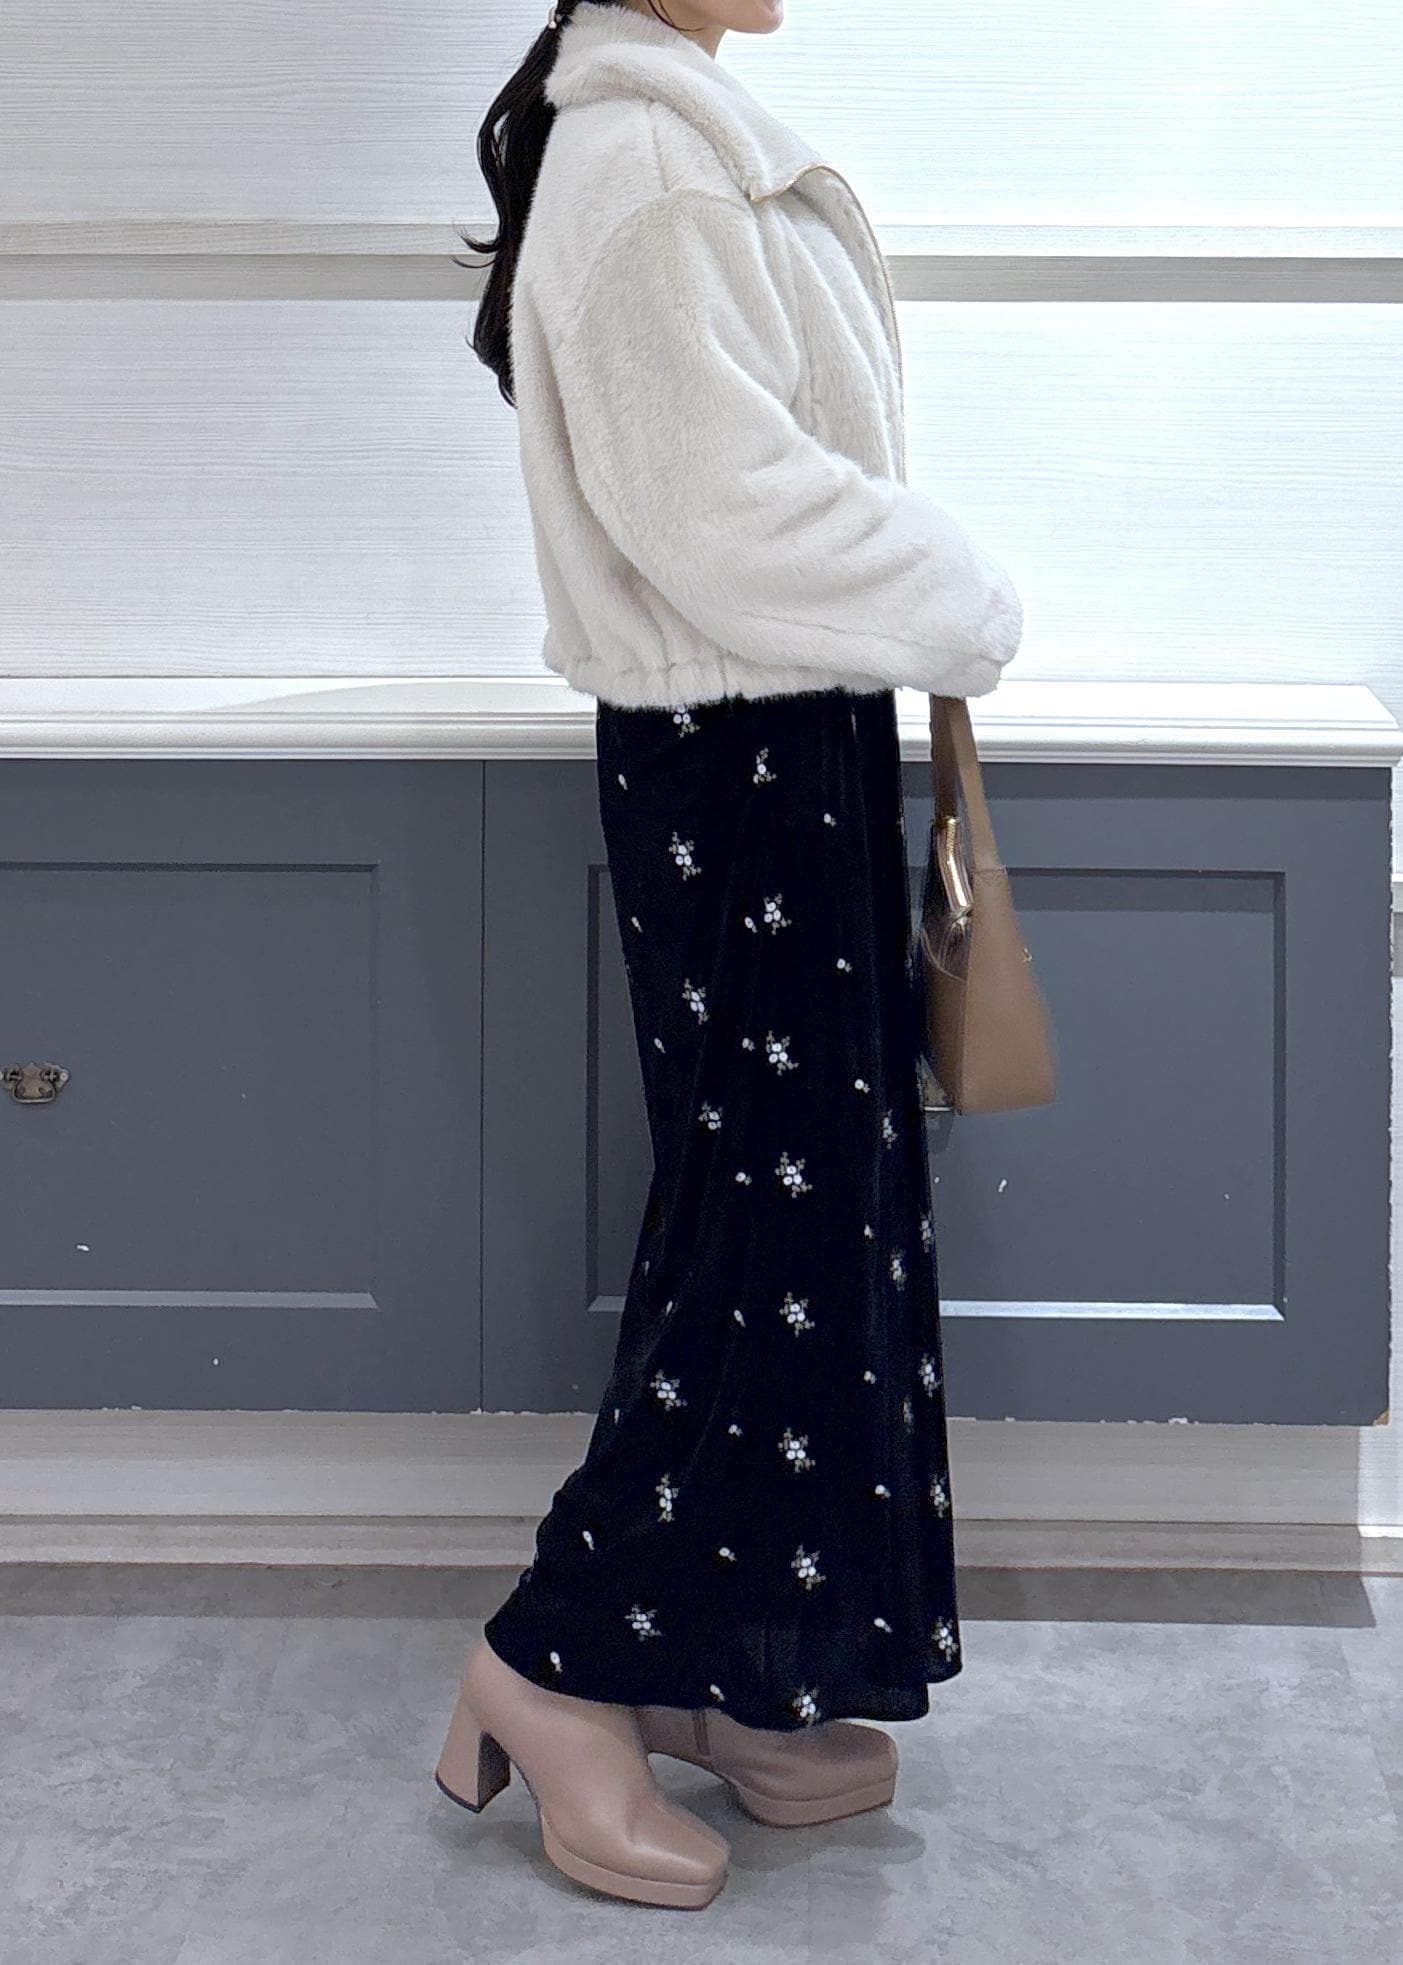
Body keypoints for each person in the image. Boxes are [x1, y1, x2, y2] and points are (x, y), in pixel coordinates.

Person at [434, 0, 1023, 1909]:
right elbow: (717, 508)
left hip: (780, 740)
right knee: (760, 1241)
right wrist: (960, 587)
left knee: (804, 1229)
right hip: (738, 750)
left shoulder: (669, 134)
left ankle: (714, 1662)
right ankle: (549, 1663)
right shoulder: (644, 157)